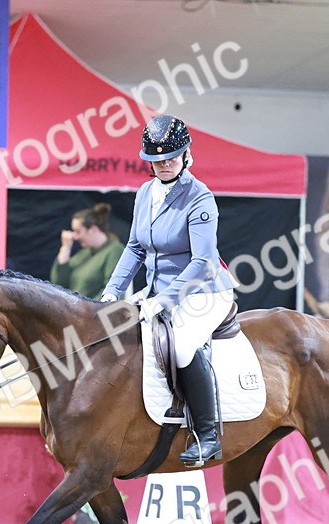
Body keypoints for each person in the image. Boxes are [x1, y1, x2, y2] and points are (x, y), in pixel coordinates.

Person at [99, 115, 236, 467]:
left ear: (187, 155)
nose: (162, 165)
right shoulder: (145, 193)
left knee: (183, 346)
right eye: (155, 160)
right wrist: (113, 291)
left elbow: (203, 262)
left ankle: (207, 437)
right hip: (157, 291)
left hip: (203, 293)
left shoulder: (200, 198)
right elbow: (134, 248)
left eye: (170, 158)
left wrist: (164, 300)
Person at [50, 203, 125, 299]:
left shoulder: (115, 251)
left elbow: (113, 290)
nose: (75, 237)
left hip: (94, 312)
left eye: (78, 231)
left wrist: (88, 310)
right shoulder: (83, 254)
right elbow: (58, 283)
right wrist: (65, 248)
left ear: (93, 229)